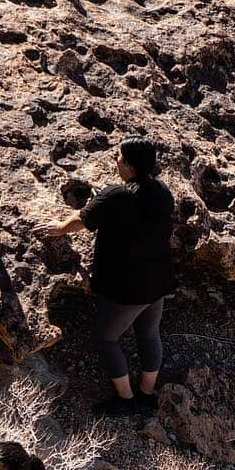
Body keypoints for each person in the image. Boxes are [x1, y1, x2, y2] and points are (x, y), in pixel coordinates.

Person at [36, 137, 174, 416]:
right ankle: (147, 393)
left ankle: (126, 399)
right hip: (157, 280)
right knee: (148, 333)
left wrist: (59, 228)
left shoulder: (117, 196)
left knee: (105, 338)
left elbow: (83, 220)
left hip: (128, 287)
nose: (116, 161)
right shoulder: (161, 192)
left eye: (119, 158)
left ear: (130, 164)